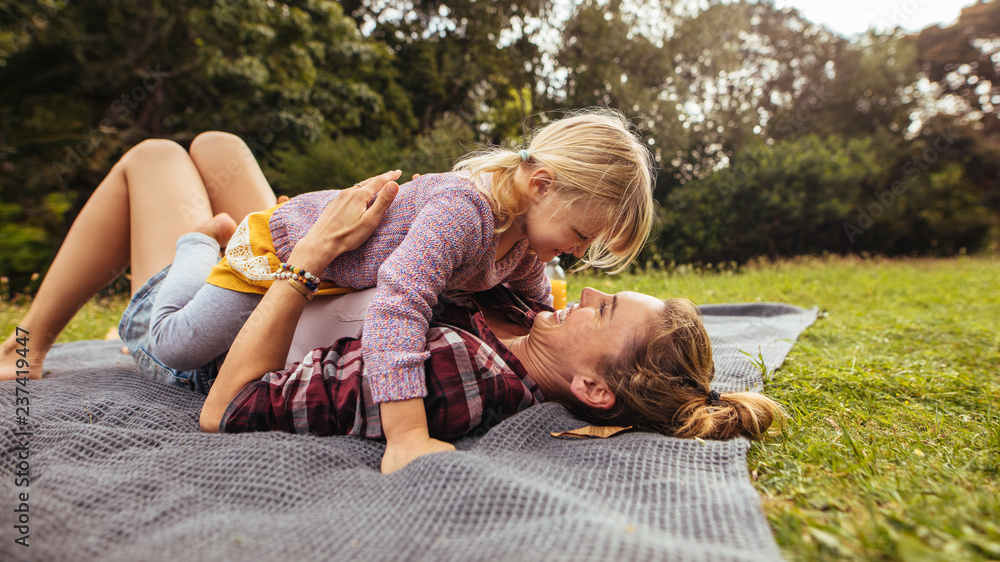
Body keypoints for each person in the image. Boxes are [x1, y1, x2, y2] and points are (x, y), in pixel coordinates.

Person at [141, 108, 656, 472]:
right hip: (280, 252)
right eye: (581, 236)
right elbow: (400, 303)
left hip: (330, 281)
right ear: (541, 187)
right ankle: (200, 242)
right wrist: (407, 432)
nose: (575, 253)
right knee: (174, 344)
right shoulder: (466, 212)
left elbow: (536, 316)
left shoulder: (525, 250)